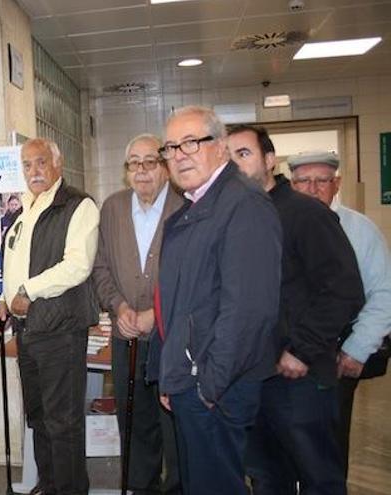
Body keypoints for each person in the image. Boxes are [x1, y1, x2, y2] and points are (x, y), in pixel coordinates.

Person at [145, 106, 282, 495]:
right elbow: (180, 305)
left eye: (191, 142)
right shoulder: (195, 210)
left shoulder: (242, 205)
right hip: (193, 379)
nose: (180, 154)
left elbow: (249, 311)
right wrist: (171, 374)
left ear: (220, 148)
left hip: (217, 386)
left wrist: (209, 385)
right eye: (171, 148)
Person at [228, 126, 364, 494]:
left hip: (298, 378)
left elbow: (344, 289)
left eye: (243, 154)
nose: (234, 165)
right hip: (253, 376)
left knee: (320, 478)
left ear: (270, 161)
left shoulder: (305, 214)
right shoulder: (237, 217)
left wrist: (301, 349)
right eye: (227, 157)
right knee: (269, 478)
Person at [0, 137, 99, 495]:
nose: (33, 171)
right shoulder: (25, 209)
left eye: (40, 162)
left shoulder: (78, 205)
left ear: (58, 163)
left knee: (63, 422)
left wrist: (28, 292)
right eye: (27, 165)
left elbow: (78, 265)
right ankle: (49, 484)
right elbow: (14, 262)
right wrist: (5, 299)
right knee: (38, 417)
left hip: (60, 330)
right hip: (28, 329)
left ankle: (70, 489)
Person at [288, 150, 391, 477]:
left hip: (337, 355)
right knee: (284, 443)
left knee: (328, 446)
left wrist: (357, 349)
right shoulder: (277, 223)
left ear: (337, 184)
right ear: (292, 184)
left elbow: (384, 293)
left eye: (322, 181)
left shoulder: (360, 230)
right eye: (304, 180)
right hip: (286, 353)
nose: (312, 188)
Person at [93, 133, 183, 494]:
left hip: (172, 338)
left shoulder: (186, 207)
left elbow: (192, 278)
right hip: (125, 336)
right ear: (126, 171)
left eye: (150, 162)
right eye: (134, 163)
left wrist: (154, 315)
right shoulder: (112, 208)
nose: (142, 171)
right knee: (133, 422)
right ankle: (141, 488)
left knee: (174, 425)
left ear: (164, 167)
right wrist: (119, 307)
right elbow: (99, 267)